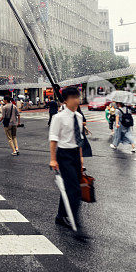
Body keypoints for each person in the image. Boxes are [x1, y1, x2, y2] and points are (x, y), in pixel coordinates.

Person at [49, 86, 88, 240]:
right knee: (75, 191)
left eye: (77, 97)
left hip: (75, 155)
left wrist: (81, 158)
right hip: (63, 155)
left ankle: (60, 216)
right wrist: (53, 159)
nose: (76, 100)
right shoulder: (58, 118)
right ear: (65, 100)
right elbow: (53, 139)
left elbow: (79, 140)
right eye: (73, 97)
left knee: (70, 186)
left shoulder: (78, 116)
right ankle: (76, 225)